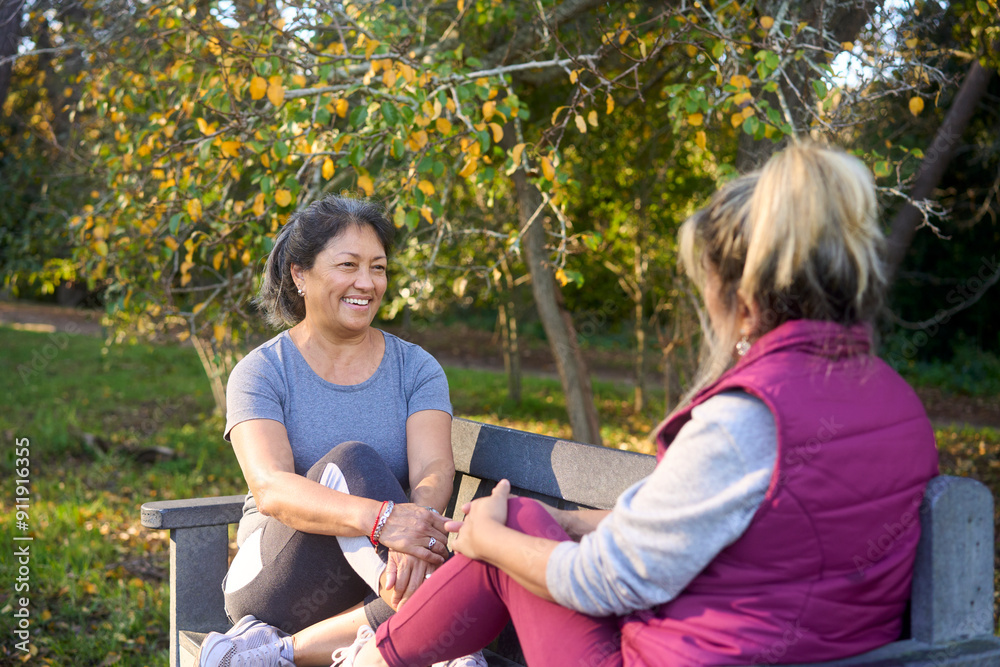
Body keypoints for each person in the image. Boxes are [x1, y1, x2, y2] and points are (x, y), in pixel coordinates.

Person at [336, 142, 940, 667]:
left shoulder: (749, 416)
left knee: (514, 524)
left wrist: (493, 540)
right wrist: (566, 521)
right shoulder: (893, 399)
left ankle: (370, 659)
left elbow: (603, 583)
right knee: (526, 518)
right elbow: (733, 527)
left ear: (740, 293)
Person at [195, 196, 485, 667]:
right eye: (348, 265)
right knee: (353, 461)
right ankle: (447, 647)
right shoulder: (262, 372)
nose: (367, 283)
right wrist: (385, 520)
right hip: (277, 581)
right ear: (299, 274)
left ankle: (274, 653)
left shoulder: (416, 368)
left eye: (379, 268)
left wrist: (415, 530)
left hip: (378, 576)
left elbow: (433, 468)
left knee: (464, 563)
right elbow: (271, 489)